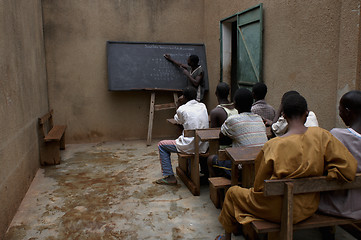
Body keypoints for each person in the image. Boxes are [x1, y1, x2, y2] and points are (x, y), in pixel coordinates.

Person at [215, 94, 357, 240]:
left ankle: (226, 237)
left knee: (233, 192)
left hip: (276, 210)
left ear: (283, 116)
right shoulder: (323, 136)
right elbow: (348, 168)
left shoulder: (272, 146)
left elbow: (259, 187)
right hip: (308, 206)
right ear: (306, 114)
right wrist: (327, 174)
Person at [318, 90, 361, 219]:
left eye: (340, 110)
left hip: (339, 206)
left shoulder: (336, 136)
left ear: (347, 111)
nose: (340, 114)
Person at [208, 88, 268, 178]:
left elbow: (222, 139)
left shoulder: (233, 120)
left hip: (242, 170)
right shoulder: (259, 119)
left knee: (210, 159)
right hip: (262, 167)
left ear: (235, 104)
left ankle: (221, 191)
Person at [155, 87, 209, 185]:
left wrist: (179, 104)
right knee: (189, 138)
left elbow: (177, 120)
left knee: (161, 145)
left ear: (184, 97)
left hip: (190, 146)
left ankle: (170, 176)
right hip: (203, 145)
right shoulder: (203, 106)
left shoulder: (182, 108)